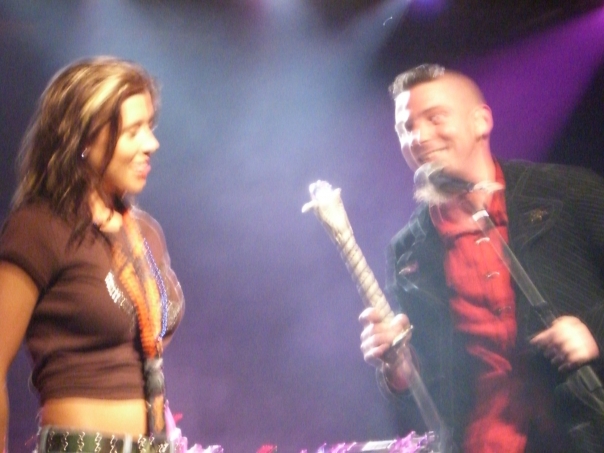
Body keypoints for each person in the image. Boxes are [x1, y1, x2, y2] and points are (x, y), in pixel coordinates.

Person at [358, 64, 604, 452]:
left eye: (435, 118)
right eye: (405, 128)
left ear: (481, 121)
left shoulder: (565, 192)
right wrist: (400, 371)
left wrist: (594, 332)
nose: (418, 137)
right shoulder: (409, 252)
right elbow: (428, 398)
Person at [0, 57, 185, 453]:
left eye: (150, 128)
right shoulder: (40, 228)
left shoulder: (147, 233)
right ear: (84, 140)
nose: (151, 144)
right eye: (133, 131)